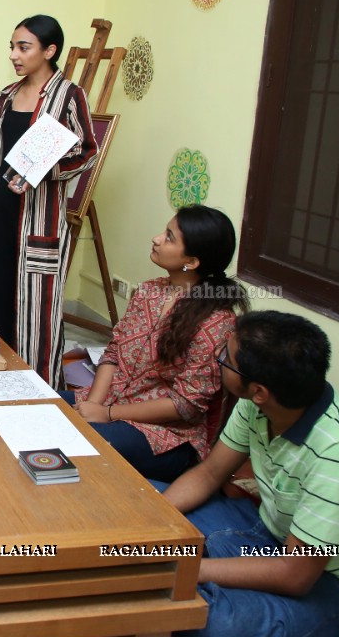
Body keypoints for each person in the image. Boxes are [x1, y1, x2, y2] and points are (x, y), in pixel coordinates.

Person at [162, 311, 339, 637]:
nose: (220, 361)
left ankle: (174, 586)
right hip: (266, 536)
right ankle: (173, 578)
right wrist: (153, 523)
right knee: (142, 501)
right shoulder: (259, 405)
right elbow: (210, 474)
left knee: (219, 628)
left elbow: (295, 573)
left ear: (259, 390)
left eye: (226, 357)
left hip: (333, 584)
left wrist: (188, 570)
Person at [0, 14, 97, 385]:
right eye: (13, 47)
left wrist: (44, 169)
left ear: (49, 50)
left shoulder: (69, 95)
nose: (14, 55)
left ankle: (37, 391)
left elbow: (87, 152)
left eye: (24, 47)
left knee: (37, 317)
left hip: (38, 224)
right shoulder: (7, 95)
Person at [62, 206, 247, 481]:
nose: (156, 238)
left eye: (169, 237)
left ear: (192, 261)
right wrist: (94, 405)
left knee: (71, 442)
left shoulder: (216, 321)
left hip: (166, 436)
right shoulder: (149, 291)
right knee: (36, 406)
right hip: (109, 404)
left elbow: (185, 404)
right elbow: (113, 353)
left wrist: (108, 413)